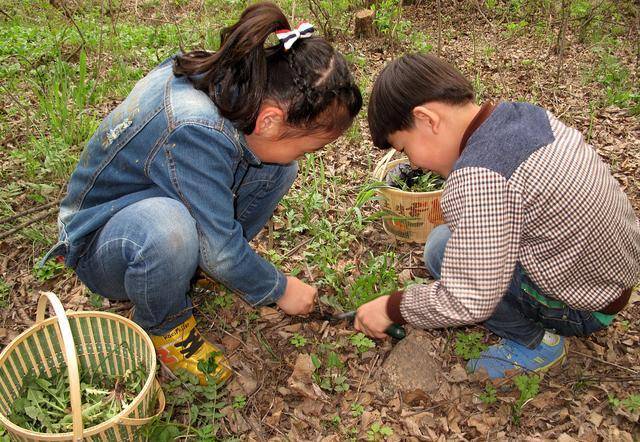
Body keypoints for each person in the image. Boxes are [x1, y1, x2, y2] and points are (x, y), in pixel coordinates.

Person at [43, 2, 362, 384]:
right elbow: (220, 245)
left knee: (277, 168)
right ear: (271, 120)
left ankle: (199, 266)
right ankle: (165, 324)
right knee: (170, 229)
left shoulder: (234, 83)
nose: (304, 156)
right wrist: (278, 288)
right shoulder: (196, 127)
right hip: (103, 243)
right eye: (307, 145)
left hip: (151, 198)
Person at [356, 53, 640, 379]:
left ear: (427, 119)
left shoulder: (479, 174)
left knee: (439, 250)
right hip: (613, 280)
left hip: (583, 307)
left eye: (405, 148)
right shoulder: (523, 115)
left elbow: (469, 298)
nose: (415, 164)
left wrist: (392, 307)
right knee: (451, 240)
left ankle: (535, 343)